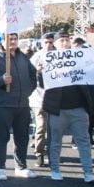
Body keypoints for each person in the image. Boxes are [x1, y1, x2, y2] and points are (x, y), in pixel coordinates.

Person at [0, 33, 37, 180]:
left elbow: (33, 75)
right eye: (9, 39)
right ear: (3, 41)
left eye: (14, 39)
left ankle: (21, 167)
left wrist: (27, 91)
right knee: (1, 137)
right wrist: (0, 80)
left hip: (22, 105)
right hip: (2, 105)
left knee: (22, 138)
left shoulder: (23, 57)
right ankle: (0, 168)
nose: (12, 42)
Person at [43, 31, 94, 183]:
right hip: (57, 109)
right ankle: (55, 169)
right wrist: (40, 72)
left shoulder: (81, 58)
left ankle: (88, 172)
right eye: (61, 41)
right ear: (55, 43)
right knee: (55, 142)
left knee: (84, 142)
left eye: (67, 40)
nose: (65, 43)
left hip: (79, 109)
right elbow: (42, 84)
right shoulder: (48, 60)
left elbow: (91, 77)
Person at [29, 32, 55, 166]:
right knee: (41, 126)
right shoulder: (36, 57)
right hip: (38, 98)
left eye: (51, 42)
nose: (49, 45)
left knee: (54, 128)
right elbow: (27, 73)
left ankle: (52, 154)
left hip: (55, 98)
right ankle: (39, 153)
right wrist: (37, 71)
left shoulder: (59, 56)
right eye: (46, 42)